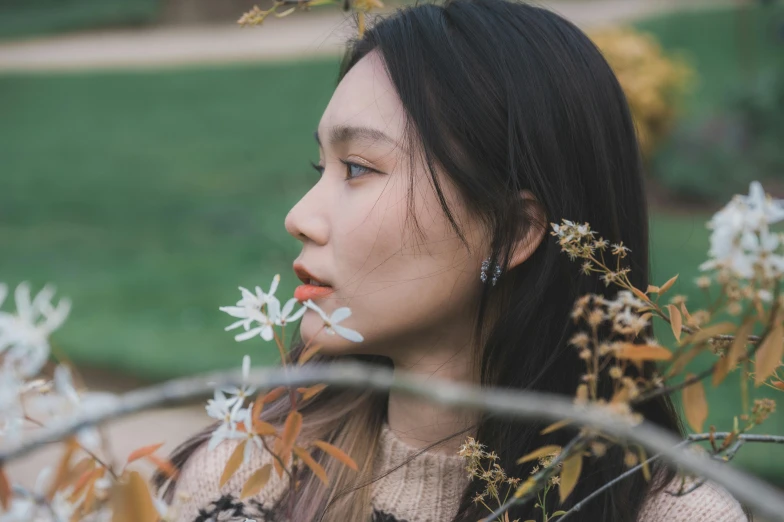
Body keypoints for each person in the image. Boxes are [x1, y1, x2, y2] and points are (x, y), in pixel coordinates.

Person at [154, 0, 749, 520]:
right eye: (322, 168)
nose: (300, 217)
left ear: (513, 231)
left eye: (358, 168)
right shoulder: (242, 481)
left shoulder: (676, 516)